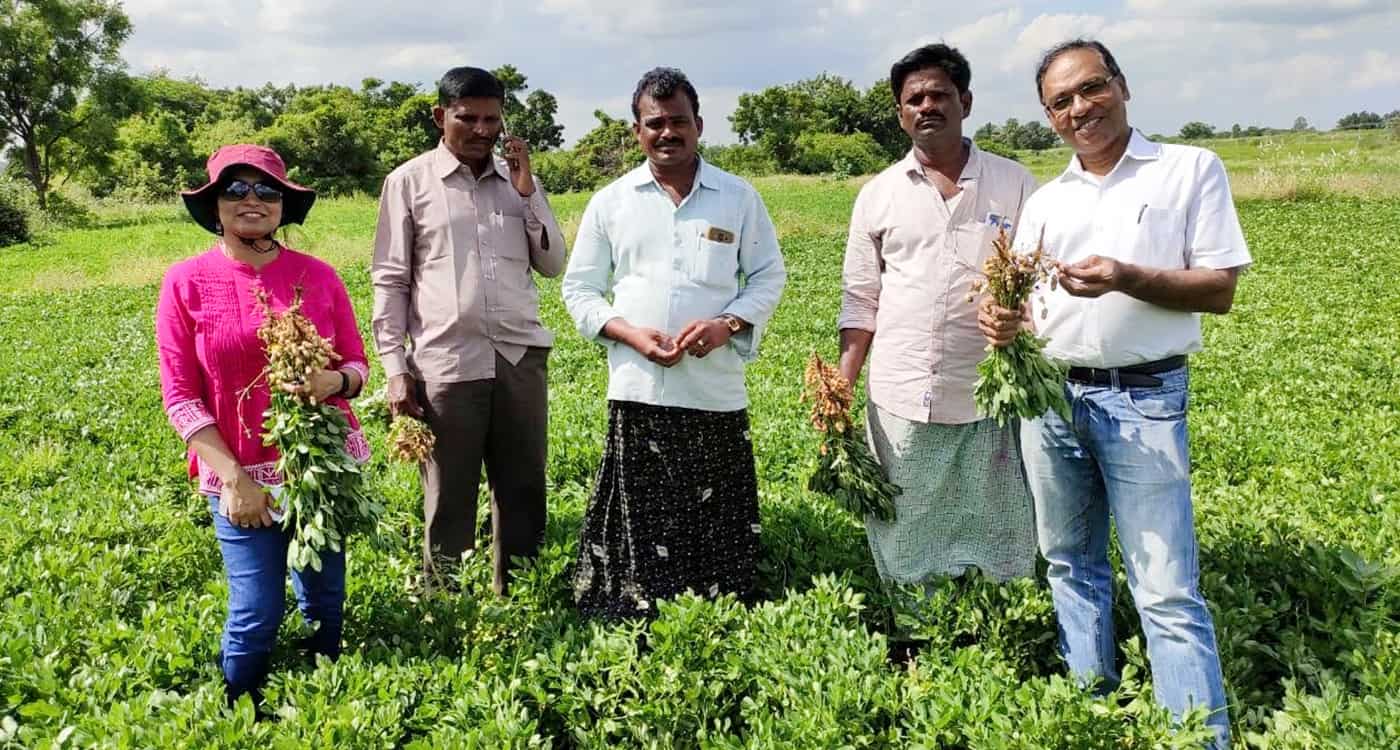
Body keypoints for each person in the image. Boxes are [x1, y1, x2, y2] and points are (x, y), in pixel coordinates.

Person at [981, 39, 1250, 748]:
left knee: (1164, 588)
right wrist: (1006, 323)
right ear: (1049, 117)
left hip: (1145, 399)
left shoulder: (1189, 170)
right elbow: (1031, 306)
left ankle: (1198, 736)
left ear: (1122, 86)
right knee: (1071, 562)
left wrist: (1128, 275)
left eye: (1090, 89)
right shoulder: (1046, 201)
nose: (1079, 109)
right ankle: (1091, 711)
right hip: (1053, 400)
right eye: (1060, 102)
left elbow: (1219, 289)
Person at [562, 67, 786, 619]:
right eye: (654, 123)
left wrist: (727, 325)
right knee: (643, 509)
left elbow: (767, 277)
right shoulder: (612, 201)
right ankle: (636, 606)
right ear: (637, 131)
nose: (668, 133)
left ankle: (720, 607)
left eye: (678, 122)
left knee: (715, 507)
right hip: (639, 388)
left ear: (699, 125)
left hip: (714, 389)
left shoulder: (737, 197)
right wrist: (628, 333)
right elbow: (580, 288)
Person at [157, 144, 371, 711]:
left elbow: (357, 363)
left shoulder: (319, 277)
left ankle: (327, 692)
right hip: (239, 472)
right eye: (236, 190)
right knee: (255, 611)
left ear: (283, 205)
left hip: (319, 468)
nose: (252, 201)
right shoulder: (186, 282)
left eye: (267, 191)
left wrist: (335, 383)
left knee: (326, 595)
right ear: (215, 205)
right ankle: (240, 709)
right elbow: (179, 396)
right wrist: (233, 479)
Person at [838, 43, 1040, 589]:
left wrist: (1019, 319)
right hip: (902, 387)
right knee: (906, 515)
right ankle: (915, 620)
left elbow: (1039, 284)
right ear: (900, 113)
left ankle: (999, 618)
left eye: (939, 95)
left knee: (998, 509)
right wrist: (841, 384)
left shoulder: (1015, 183)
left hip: (989, 389)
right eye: (913, 98)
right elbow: (860, 300)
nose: (927, 106)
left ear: (966, 101)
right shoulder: (878, 195)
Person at [371, 66, 566, 594]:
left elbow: (552, 264)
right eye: (469, 118)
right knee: (449, 494)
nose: (483, 130)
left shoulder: (517, 180)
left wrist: (527, 195)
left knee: (523, 487)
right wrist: (394, 368)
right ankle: (447, 602)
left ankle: (523, 594)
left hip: (518, 357)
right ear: (441, 117)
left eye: (492, 119)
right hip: (445, 361)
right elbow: (390, 280)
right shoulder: (408, 183)